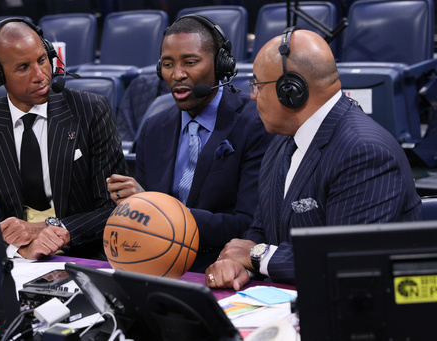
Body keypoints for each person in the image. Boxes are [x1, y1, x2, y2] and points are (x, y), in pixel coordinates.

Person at [205, 27, 421, 288]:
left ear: (292, 91)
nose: (252, 95)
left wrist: (256, 256)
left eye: (258, 85)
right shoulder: (282, 141)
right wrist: (237, 264)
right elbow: (261, 228)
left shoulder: (364, 152)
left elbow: (347, 262)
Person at [107, 15, 273, 272]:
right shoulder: (153, 128)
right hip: (154, 261)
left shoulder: (256, 124)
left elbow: (249, 226)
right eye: (168, 64)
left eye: (190, 62)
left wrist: (156, 210)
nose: (178, 74)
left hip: (222, 265)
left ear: (220, 65)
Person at [0, 18, 127, 260]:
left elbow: (113, 210)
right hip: (17, 260)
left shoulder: (90, 110)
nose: (41, 75)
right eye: (23, 67)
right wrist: (19, 249)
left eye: (42, 60)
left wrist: (53, 228)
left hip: (83, 255)